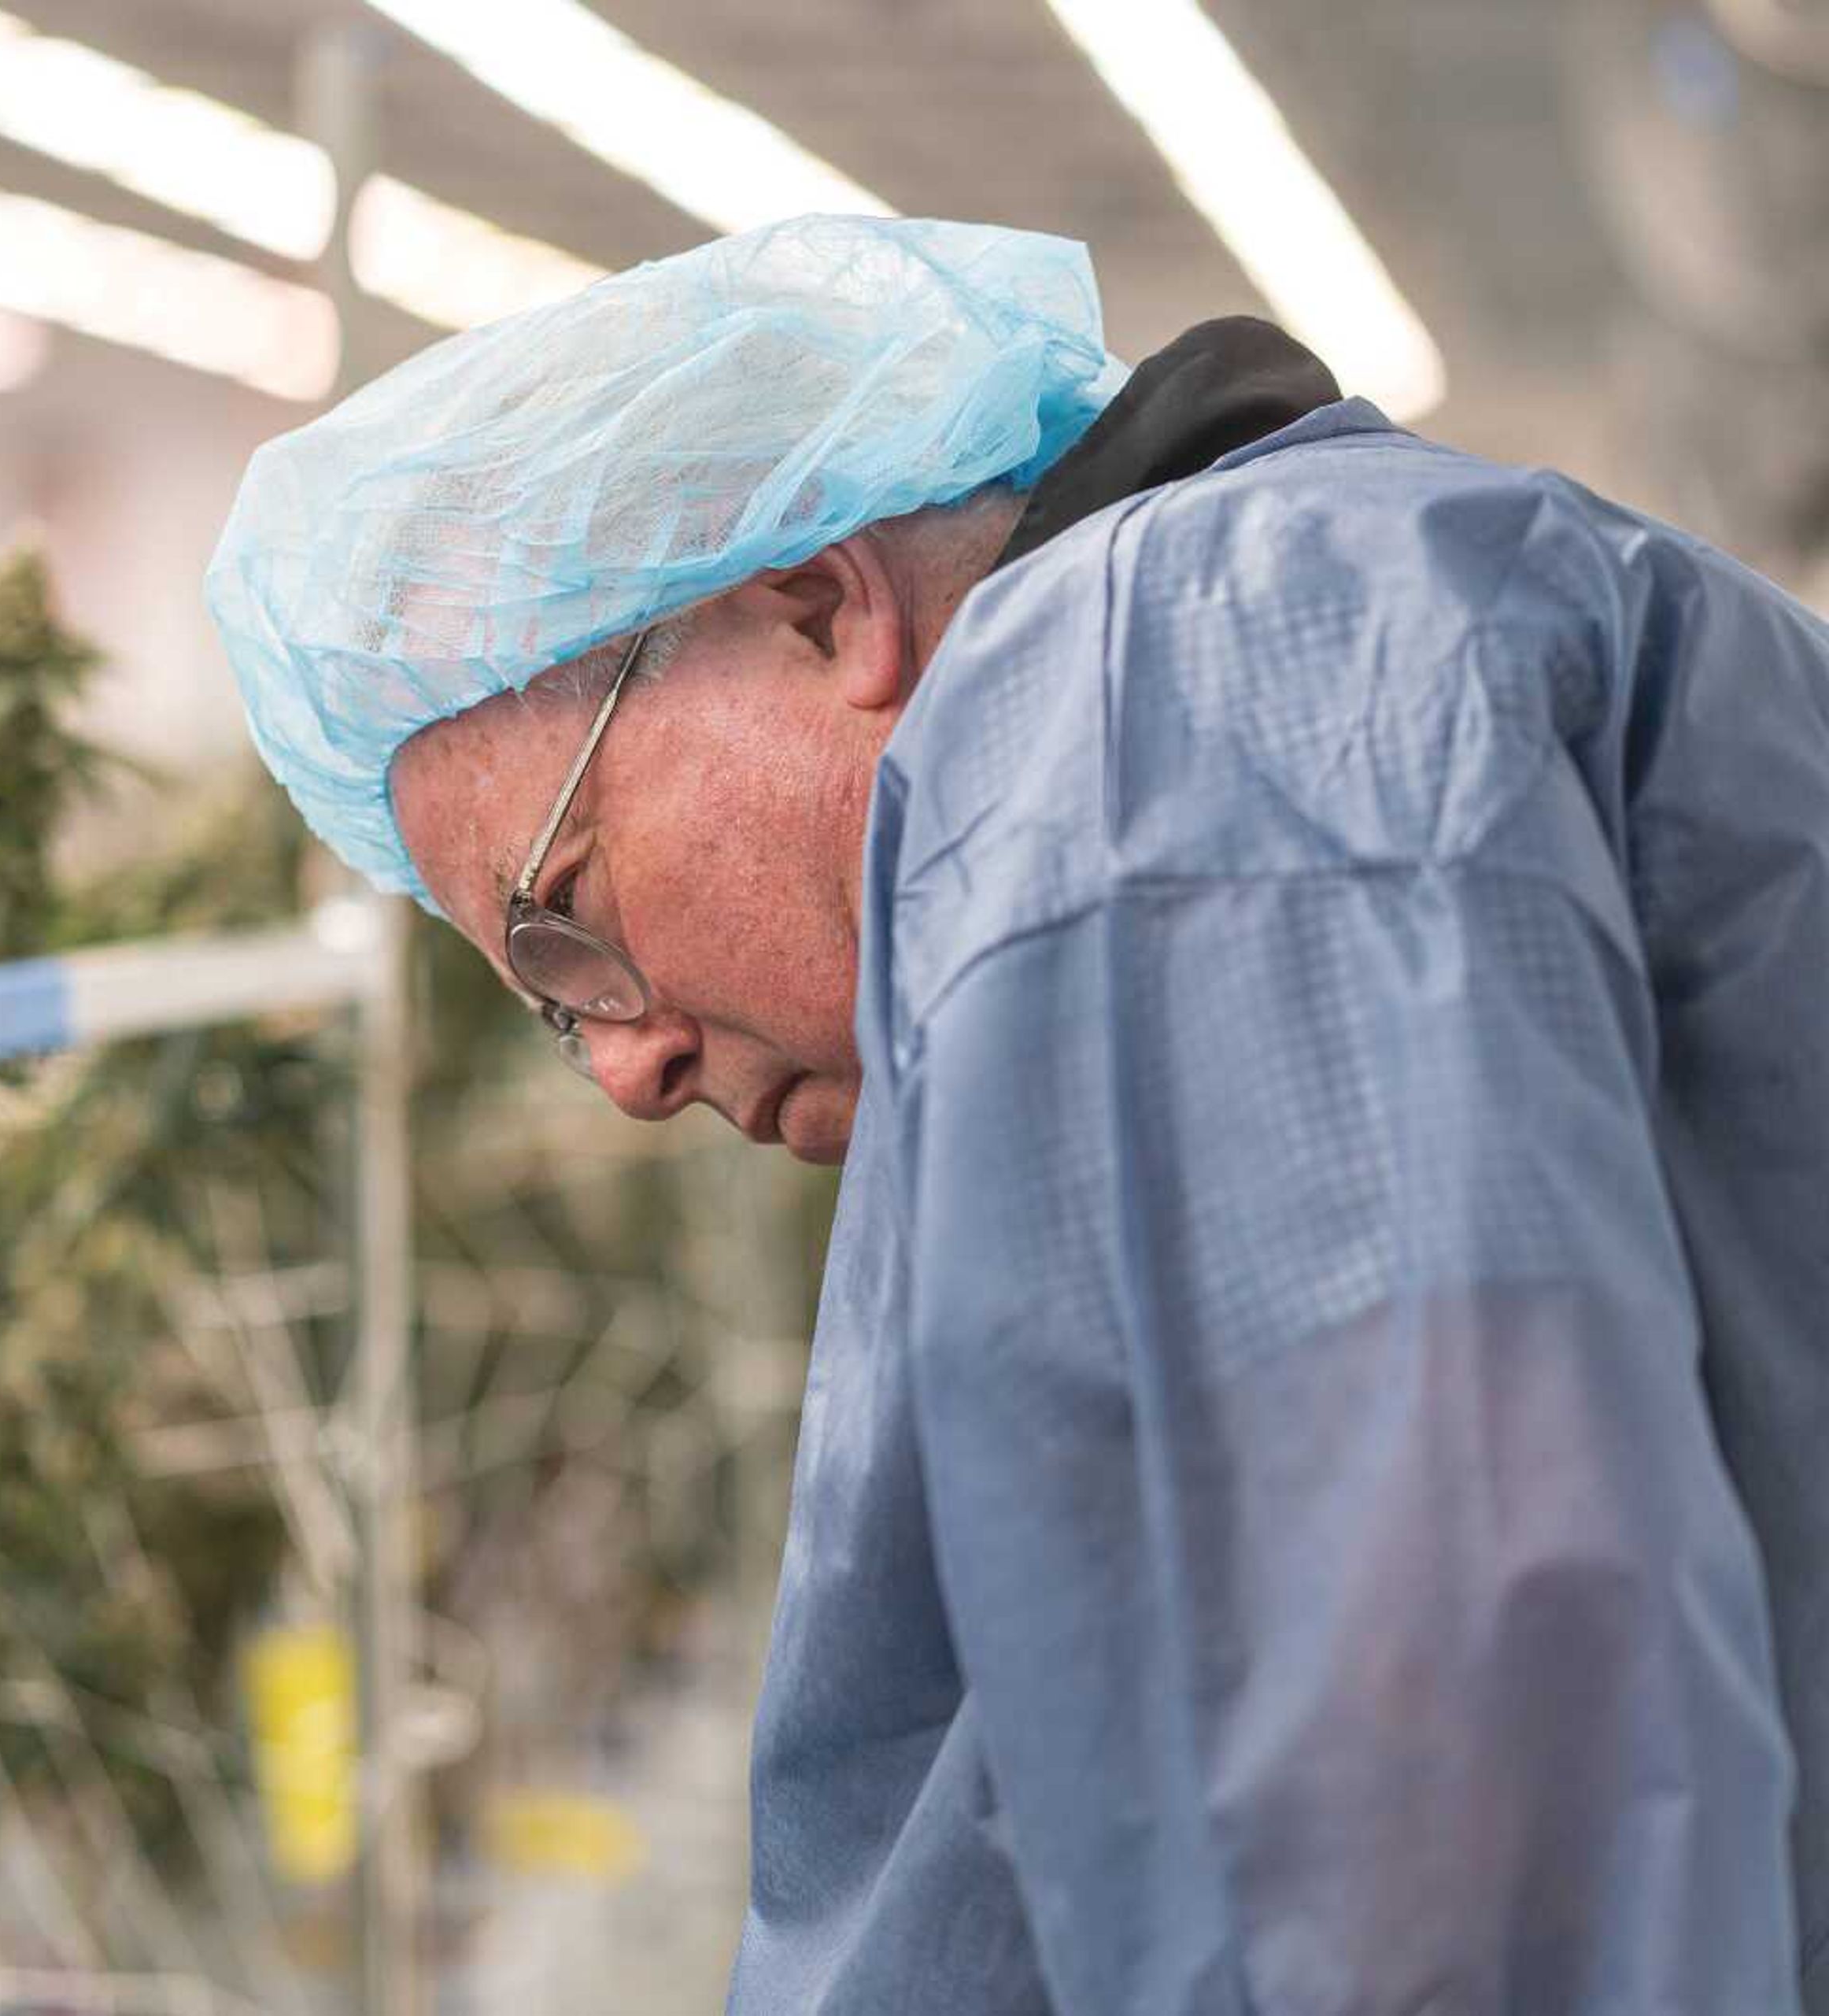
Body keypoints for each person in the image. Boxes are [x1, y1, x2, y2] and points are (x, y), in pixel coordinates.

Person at [205, 215, 1829, 2014]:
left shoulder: (1182, 692)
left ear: (820, 610)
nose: (622, 1065)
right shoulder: (1223, 681)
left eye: (564, 921)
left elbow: (1442, 1768)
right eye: (546, 1009)